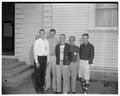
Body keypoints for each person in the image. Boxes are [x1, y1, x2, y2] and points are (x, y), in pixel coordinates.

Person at [33, 29, 49, 93]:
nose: (42, 34)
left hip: (44, 58)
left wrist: (48, 60)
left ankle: (42, 87)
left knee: (43, 73)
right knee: (37, 74)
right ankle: (38, 88)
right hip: (38, 58)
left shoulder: (46, 41)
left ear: (44, 34)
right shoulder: (37, 41)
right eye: (41, 33)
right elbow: (35, 52)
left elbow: (48, 51)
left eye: (43, 33)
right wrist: (36, 61)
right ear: (39, 34)